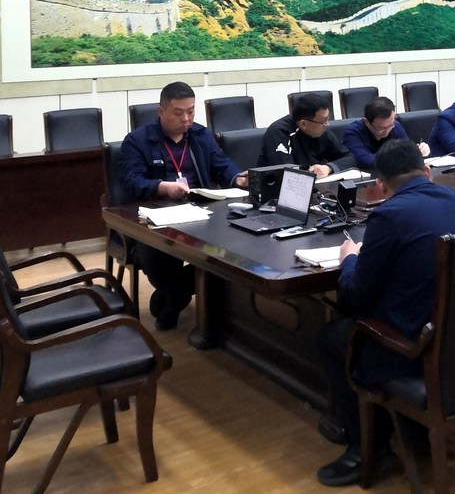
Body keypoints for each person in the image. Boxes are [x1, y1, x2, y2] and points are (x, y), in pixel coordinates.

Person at [314, 140, 455, 487]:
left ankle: (368, 448)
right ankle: (410, 428)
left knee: (333, 337)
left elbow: (356, 294)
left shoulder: (388, 216)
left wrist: (349, 259)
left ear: (381, 185)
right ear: (427, 171)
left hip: (411, 348)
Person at [119, 81, 247, 330]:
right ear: (161, 112)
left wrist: (237, 178)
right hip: (156, 216)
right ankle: (177, 297)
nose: (186, 119)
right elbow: (131, 181)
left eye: (191, 111)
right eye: (178, 113)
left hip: (203, 212)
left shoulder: (201, 135)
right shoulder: (138, 141)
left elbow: (221, 165)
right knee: (154, 256)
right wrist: (162, 187)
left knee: (232, 249)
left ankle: (175, 297)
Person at [258, 92, 358, 177]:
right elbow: (286, 174)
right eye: (323, 121)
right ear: (303, 124)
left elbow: (351, 158)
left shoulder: (321, 131)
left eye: (327, 119)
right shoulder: (279, 132)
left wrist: (328, 167)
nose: (327, 124)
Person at [344, 96, 430, 171]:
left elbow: (408, 149)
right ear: (366, 122)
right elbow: (367, 161)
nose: (387, 131)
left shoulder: (395, 125)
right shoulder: (352, 132)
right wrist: (401, 156)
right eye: (381, 128)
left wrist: (419, 150)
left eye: (390, 125)